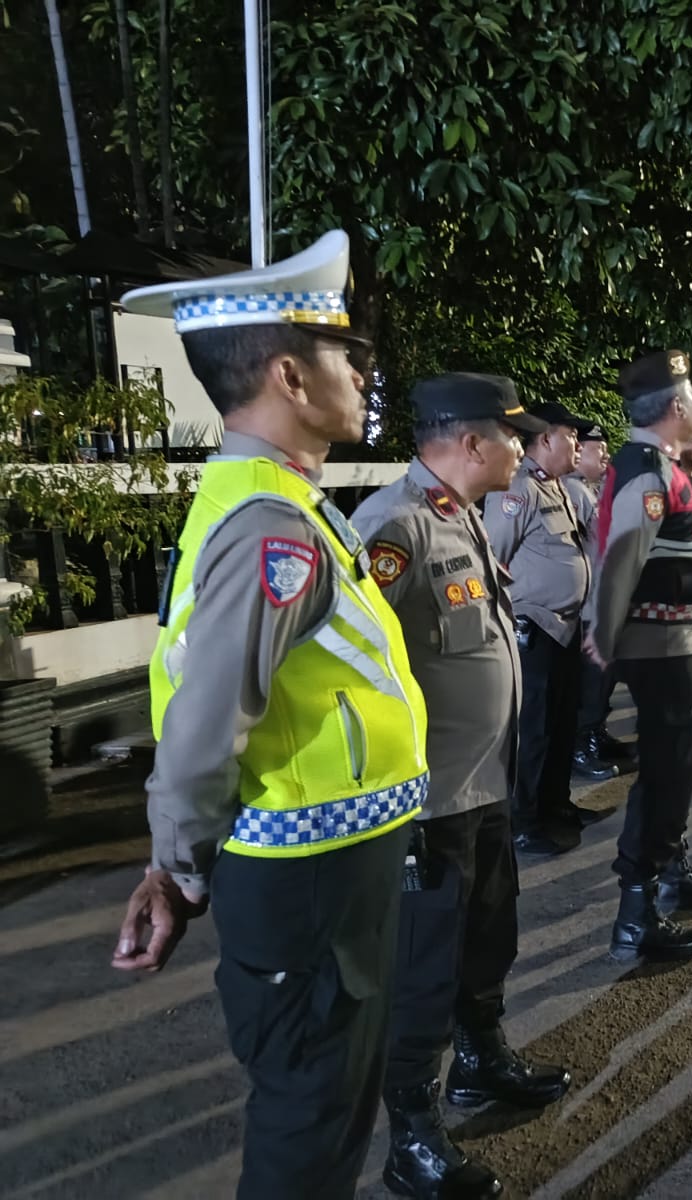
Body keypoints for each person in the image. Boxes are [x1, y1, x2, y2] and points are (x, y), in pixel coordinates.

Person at [110, 232, 432, 1200]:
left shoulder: (278, 500)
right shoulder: (270, 525)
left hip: (327, 865)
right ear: (290, 376)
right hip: (308, 880)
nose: (363, 376)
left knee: (326, 1110)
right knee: (310, 1121)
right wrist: (175, 868)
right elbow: (207, 722)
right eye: (346, 355)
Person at [351, 375, 570, 1200]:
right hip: (430, 801)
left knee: (486, 938)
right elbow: (360, 672)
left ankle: (480, 1060)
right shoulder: (394, 526)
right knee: (423, 969)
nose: (524, 449)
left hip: (483, 787)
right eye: (514, 436)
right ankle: (413, 1133)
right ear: (471, 442)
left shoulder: (463, 513)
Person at [585, 349, 692, 962]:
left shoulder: (659, 467)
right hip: (660, 647)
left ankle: (670, 869)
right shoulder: (646, 472)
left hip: (676, 644)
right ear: (674, 407)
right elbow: (621, 558)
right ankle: (636, 916)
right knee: (668, 770)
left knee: (676, 764)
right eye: (691, 400)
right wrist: (603, 635)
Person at [485, 400, 611, 856]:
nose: (577, 443)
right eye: (570, 435)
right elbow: (493, 559)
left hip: (565, 627)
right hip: (533, 628)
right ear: (544, 439)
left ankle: (556, 806)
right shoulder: (517, 491)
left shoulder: (554, 486)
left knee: (560, 724)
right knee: (534, 730)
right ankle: (524, 821)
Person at [568, 421, 631, 780]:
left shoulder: (590, 490)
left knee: (603, 677)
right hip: (587, 605)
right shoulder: (572, 491)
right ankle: (582, 745)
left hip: (603, 601)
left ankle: (596, 733)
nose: (605, 454)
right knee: (591, 680)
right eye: (598, 448)